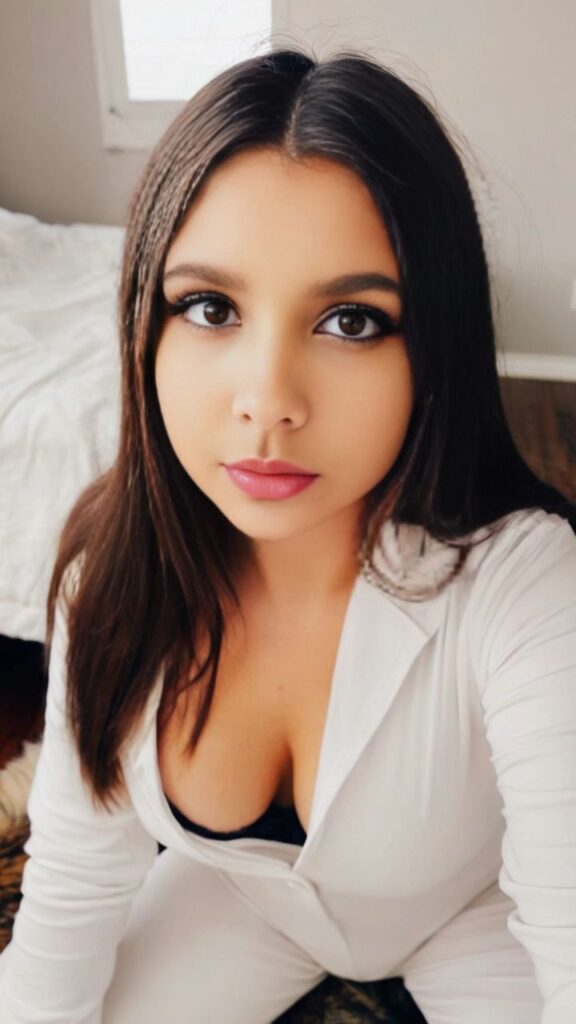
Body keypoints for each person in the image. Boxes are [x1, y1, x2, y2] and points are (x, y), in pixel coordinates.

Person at [0, 44, 575, 1024]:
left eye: (351, 320)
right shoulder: (112, 578)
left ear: (434, 343)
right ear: (145, 324)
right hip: (243, 906)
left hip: (479, 914)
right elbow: (70, 900)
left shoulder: (526, 584)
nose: (267, 401)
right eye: (210, 307)